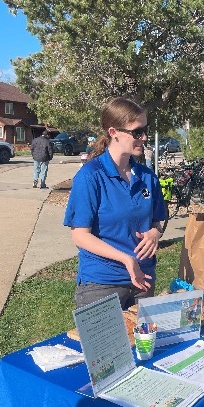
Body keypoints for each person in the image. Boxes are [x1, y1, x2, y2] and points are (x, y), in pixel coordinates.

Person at [63, 97, 167, 309]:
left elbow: (158, 220)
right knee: (105, 344)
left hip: (144, 280)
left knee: (145, 342)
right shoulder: (90, 177)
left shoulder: (147, 176)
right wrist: (126, 260)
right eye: (137, 132)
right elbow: (80, 235)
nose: (144, 137)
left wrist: (155, 233)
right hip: (103, 283)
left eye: (145, 130)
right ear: (113, 132)